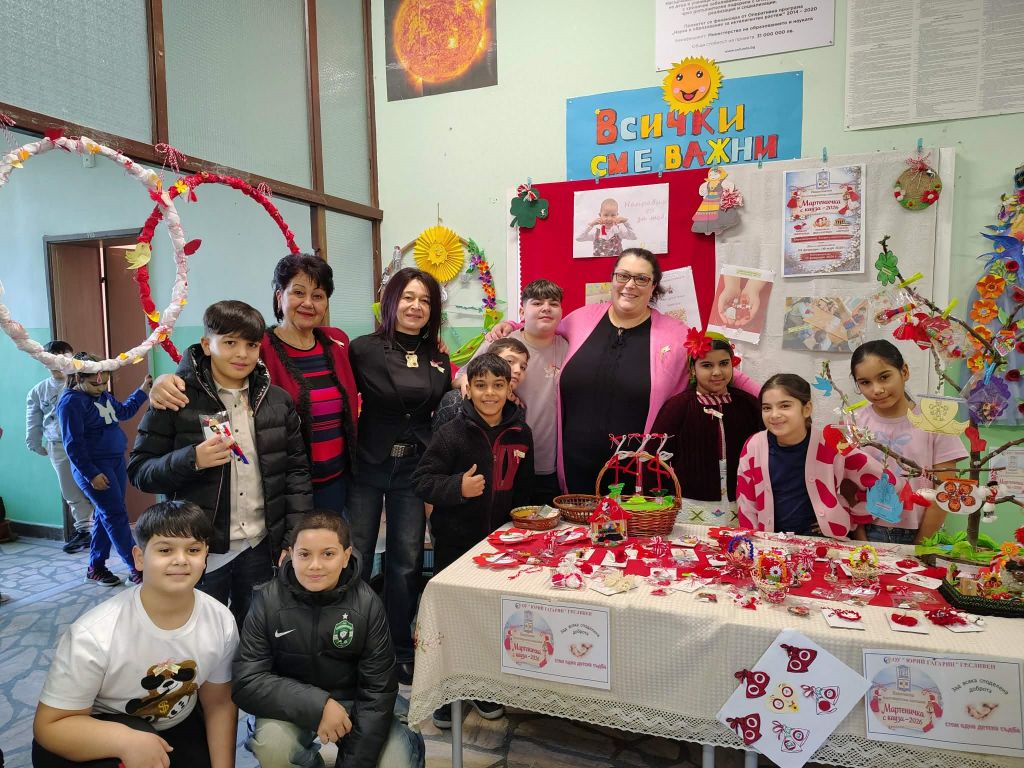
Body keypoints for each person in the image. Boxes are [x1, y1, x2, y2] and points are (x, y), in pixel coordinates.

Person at [491, 249, 760, 495]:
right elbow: (540, 330)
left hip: (638, 478)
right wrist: (512, 324)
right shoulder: (580, 320)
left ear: (653, 286)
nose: (630, 285)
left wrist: (771, 403)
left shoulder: (676, 335)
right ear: (613, 280)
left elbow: (720, 368)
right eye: (623, 276)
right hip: (572, 473)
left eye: (641, 279)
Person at [129, 300, 313, 626]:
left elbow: (296, 474)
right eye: (229, 342)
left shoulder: (277, 401)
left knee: (255, 630)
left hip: (260, 545)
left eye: (251, 345)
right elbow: (140, 472)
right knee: (198, 632)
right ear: (206, 344)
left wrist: (292, 537)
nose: (242, 354)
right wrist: (192, 459)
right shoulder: (176, 398)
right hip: (200, 548)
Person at [147, 253, 358, 519]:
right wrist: (166, 380)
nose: (308, 303)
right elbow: (210, 366)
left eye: (318, 296)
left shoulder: (337, 341)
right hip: (280, 483)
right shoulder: (258, 347)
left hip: (337, 478)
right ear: (279, 296)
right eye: (298, 292)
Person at [32, 500, 238, 768]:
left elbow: (219, 704)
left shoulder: (220, 620)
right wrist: (124, 740)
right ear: (139, 558)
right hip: (99, 729)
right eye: (165, 550)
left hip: (177, 722)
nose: (181, 559)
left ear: (205, 556)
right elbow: (49, 726)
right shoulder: (94, 633)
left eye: (193, 550)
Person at [233, 512, 424, 768]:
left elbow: (378, 690)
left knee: (394, 761)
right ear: (290, 554)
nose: (315, 565)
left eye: (328, 554)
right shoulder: (268, 601)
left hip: (358, 702)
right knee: (273, 747)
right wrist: (318, 706)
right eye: (304, 554)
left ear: (346, 556)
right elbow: (246, 682)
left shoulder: (368, 604)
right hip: (291, 703)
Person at [413, 353, 533, 730]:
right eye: (481, 385)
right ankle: (448, 692)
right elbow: (422, 481)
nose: (489, 393)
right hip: (455, 543)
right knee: (454, 618)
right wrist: (457, 488)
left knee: (491, 618)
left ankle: (483, 687)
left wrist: (526, 527)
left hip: (501, 547)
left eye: (498, 385)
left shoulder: (522, 433)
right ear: (468, 389)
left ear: (510, 388)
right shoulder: (451, 433)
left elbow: (526, 489)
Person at [347, 267, 449, 686]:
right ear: (391, 302)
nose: (416, 306)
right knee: (355, 558)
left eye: (424, 300)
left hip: (412, 469)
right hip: (367, 465)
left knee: (407, 562)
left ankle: (399, 648)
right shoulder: (361, 349)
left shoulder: (438, 357)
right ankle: (352, 645)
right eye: (408, 297)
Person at [736, 374, 902, 538]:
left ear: (807, 409)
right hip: (770, 542)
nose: (774, 415)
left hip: (821, 542)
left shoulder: (833, 444)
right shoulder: (753, 446)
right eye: (767, 408)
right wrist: (752, 541)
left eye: (785, 406)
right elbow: (746, 503)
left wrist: (847, 517)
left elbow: (888, 485)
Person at [456, 279, 567, 506]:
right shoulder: (502, 344)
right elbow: (462, 376)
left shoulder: (568, 347)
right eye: (537, 303)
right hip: (501, 458)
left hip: (548, 463)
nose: (546, 308)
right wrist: (479, 385)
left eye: (553, 303)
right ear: (522, 311)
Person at [850, 340, 966, 544]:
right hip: (866, 530)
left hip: (920, 532)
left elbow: (945, 489)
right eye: (865, 382)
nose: (877, 389)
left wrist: (919, 544)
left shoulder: (936, 422)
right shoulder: (854, 422)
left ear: (904, 371)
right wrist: (860, 538)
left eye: (884, 377)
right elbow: (848, 485)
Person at [57, 354, 151, 587]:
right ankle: (136, 567)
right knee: (116, 515)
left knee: (105, 513)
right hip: (94, 468)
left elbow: (124, 412)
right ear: (78, 377)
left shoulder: (103, 395)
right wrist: (91, 474)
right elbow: (73, 445)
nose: (100, 387)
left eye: (104, 383)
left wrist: (143, 390)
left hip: (115, 462)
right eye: (94, 384)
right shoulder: (70, 403)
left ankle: (96, 567)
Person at [651, 332, 760, 510]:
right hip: (688, 503)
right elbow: (654, 457)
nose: (717, 372)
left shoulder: (749, 405)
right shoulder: (677, 407)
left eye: (724, 363)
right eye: (707, 365)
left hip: (742, 501)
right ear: (693, 369)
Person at [26, 340, 95, 553]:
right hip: (58, 446)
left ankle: (103, 527)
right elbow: (33, 418)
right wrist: (34, 442)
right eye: (52, 360)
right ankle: (85, 531)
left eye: (63, 359)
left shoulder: (84, 385)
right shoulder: (39, 391)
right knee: (70, 490)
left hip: (87, 444)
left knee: (95, 484)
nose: (57, 364)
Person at [434, 337, 529, 429]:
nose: (518, 370)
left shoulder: (518, 410)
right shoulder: (455, 400)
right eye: (510, 361)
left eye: (523, 367)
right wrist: (462, 380)